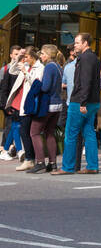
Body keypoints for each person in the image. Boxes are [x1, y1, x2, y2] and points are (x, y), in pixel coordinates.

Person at [59, 32, 101, 175]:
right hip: (92, 101)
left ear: (85, 43)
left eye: (77, 42)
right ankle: (92, 166)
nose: (75, 45)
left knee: (70, 134)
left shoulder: (84, 58)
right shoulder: (94, 58)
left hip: (80, 102)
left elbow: (85, 81)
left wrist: (82, 102)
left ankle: (67, 167)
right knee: (89, 132)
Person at [30, 45, 64, 173]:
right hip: (57, 104)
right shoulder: (58, 67)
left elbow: (45, 87)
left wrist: (37, 82)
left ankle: (39, 162)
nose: (41, 56)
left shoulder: (49, 67)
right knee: (49, 133)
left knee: (34, 132)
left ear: (49, 55)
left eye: (43, 53)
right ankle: (52, 163)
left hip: (47, 104)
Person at [13, 48, 42, 172]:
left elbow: (36, 84)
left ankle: (30, 159)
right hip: (23, 102)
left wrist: (25, 72)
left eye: (27, 57)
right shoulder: (26, 65)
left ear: (33, 57)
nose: (26, 59)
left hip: (31, 104)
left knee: (26, 131)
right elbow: (12, 70)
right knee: (24, 131)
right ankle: (30, 158)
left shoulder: (39, 68)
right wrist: (18, 59)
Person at [0, 47, 24, 160]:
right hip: (9, 103)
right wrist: (5, 105)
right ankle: (11, 149)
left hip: (18, 103)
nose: (17, 56)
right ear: (11, 55)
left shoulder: (22, 69)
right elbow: (3, 88)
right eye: (15, 54)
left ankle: (8, 149)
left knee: (14, 126)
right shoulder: (6, 70)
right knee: (11, 126)